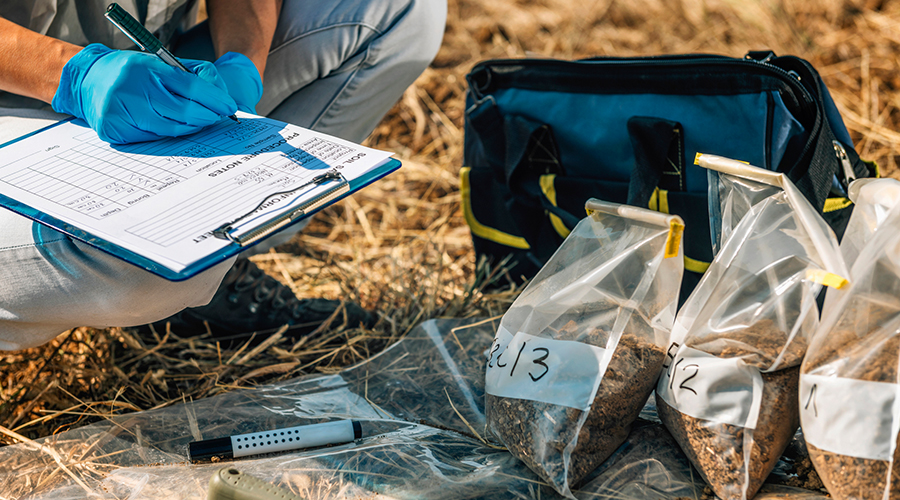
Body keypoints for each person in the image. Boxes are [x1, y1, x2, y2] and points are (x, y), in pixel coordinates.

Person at [0, 0, 446, 350]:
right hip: (18, 111)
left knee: (395, 7)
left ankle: (209, 283)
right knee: (158, 259)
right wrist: (71, 73)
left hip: (150, 84)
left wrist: (243, 61)